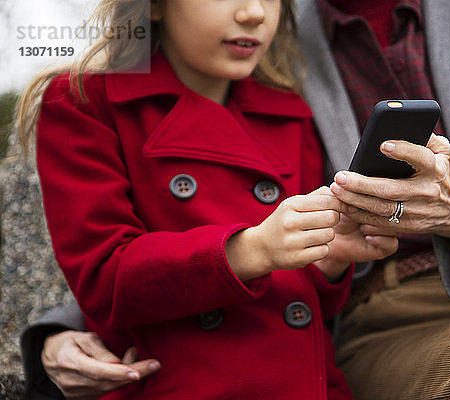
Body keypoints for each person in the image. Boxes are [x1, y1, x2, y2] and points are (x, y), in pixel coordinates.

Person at [20, 0, 450, 398]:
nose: (253, 10)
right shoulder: (101, 99)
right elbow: (114, 255)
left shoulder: (280, 102)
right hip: (371, 322)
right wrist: (51, 336)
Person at [15, 0, 400, 399]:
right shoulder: (86, 101)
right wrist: (249, 250)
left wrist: (328, 259)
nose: (254, 13)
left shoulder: (288, 112)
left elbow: (304, 306)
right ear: (156, 6)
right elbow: (103, 280)